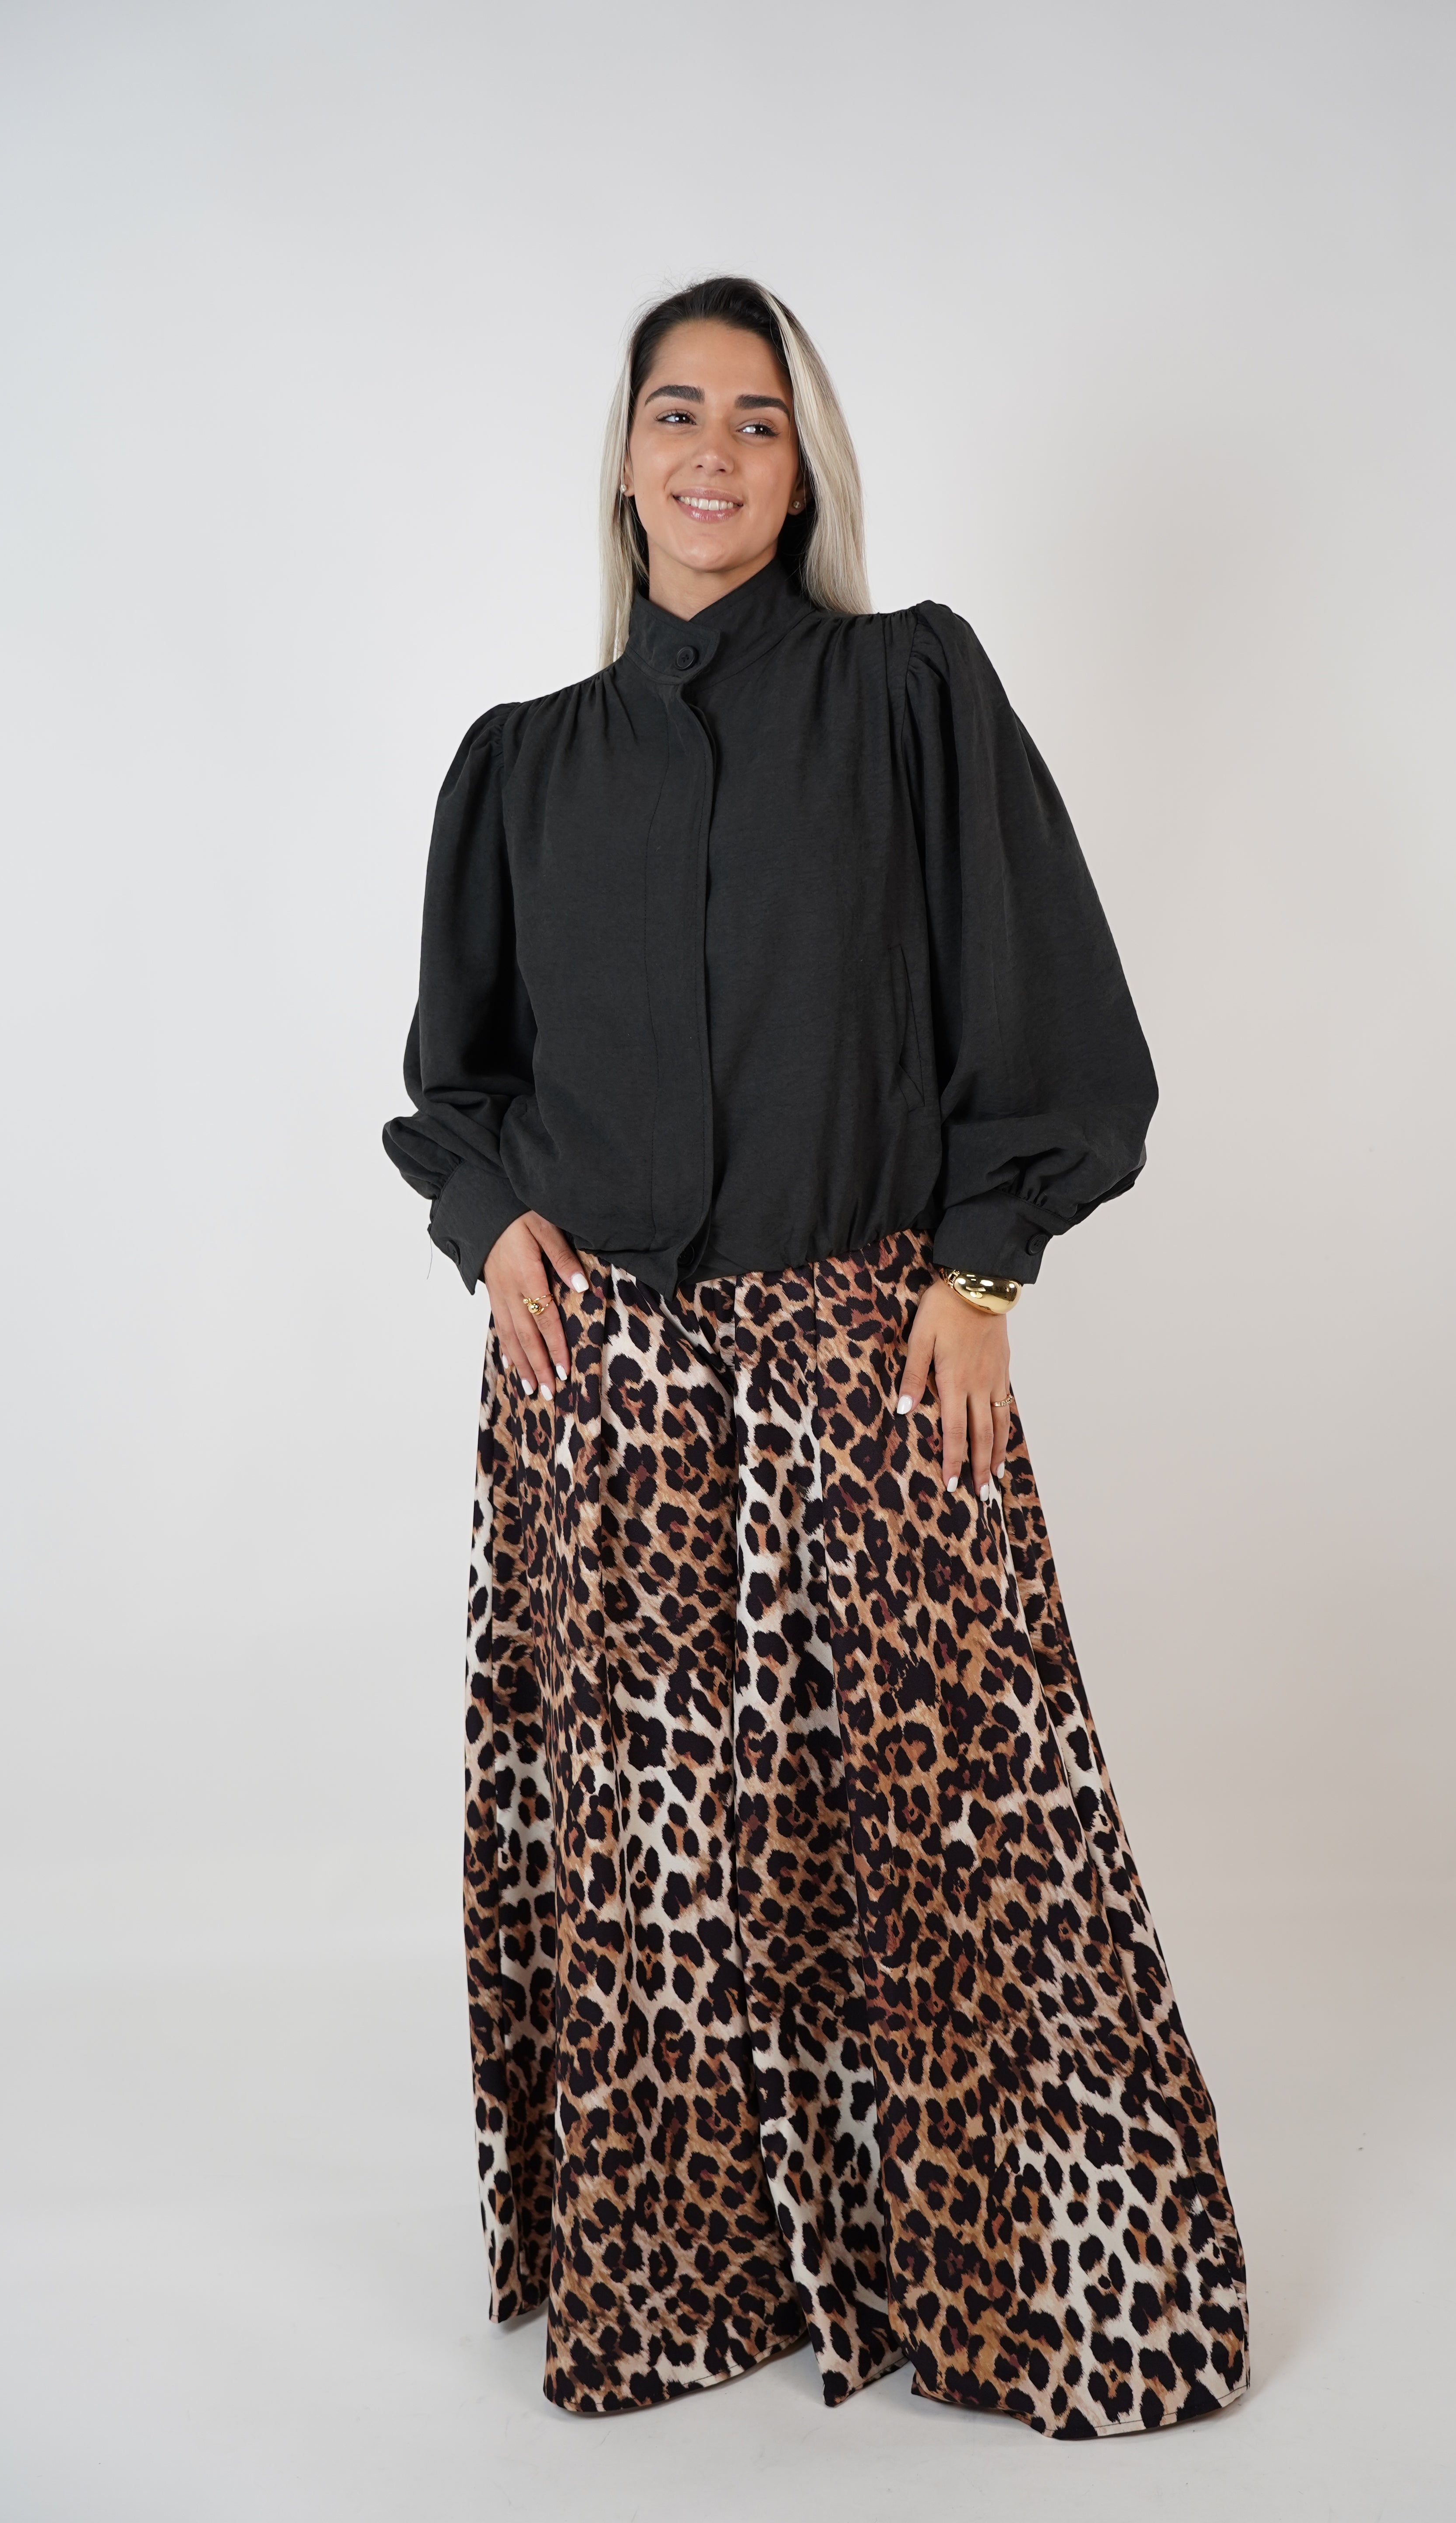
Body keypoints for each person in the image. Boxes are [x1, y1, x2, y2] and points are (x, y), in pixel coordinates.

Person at [383, 275, 1247, 2439]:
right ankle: (689, 2280)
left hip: (873, 1353)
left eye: (759, 420)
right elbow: (459, 1082)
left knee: (948, 1832)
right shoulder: (520, 766)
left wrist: (984, 1275)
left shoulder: (906, 693)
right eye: (677, 412)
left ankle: (1018, 2281)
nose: (714, 452)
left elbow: (1055, 1030)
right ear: (623, 458)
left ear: (806, 467)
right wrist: (487, 1226)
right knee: (655, 1858)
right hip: (607, 1392)